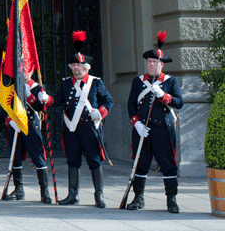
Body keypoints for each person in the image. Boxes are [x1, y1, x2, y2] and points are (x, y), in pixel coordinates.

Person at [125, 31, 184, 213]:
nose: (152, 65)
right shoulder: (138, 81)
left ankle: (171, 200)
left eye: (155, 62)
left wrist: (163, 95)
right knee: (141, 164)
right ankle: (138, 198)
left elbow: (179, 102)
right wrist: (136, 124)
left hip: (163, 129)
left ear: (162, 64)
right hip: (143, 130)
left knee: (168, 165)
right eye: (149, 62)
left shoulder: (170, 81)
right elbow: (131, 105)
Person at [58, 30, 113, 208]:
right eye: (73, 65)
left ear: (86, 67)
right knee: (73, 161)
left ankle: (99, 196)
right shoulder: (66, 83)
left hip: (89, 128)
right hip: (72, 129)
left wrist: (100, 112)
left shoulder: (96, 82)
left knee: (94, 162)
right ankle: (73, 195)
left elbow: (108, 101)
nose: (76, 68)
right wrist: (46, 99)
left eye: (79, 65)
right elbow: (57, 100)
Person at [1, 68, 56, 204]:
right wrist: (9, 120)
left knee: (38, 157)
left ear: (31, 73)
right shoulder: (12, 87)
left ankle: (44, 191)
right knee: (16, 157)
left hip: (31, 125)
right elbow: (4, 105)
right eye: (21, 70)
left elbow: (40, 107)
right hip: (15, 125)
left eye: (27, 71)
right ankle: (18, 189)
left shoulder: (38, 88)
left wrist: (28, 93)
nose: (24, 73)